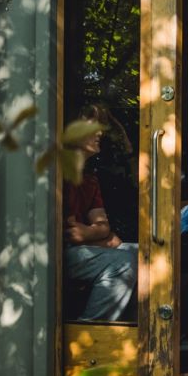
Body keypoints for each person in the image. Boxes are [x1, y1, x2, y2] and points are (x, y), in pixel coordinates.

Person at [64, 107, 137, 322]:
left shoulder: (89, 180)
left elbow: (102, 226)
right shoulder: (58, 174)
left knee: (147, 255)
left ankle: (131, 328)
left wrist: (91, 234)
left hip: (83, 249)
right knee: (123, 263)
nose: (100, 133)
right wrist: (99, 236)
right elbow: (70, 234)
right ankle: (89, 332)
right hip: (57, 258)